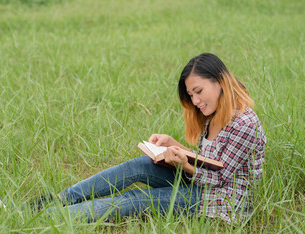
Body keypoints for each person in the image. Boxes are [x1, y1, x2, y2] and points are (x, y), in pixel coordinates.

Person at [29, 53, 266, 224]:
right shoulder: (212, 112)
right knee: (140, 165)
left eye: (198, 91)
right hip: (203, 184)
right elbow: (210, 160)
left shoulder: (244, 123)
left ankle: (48, 218)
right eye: (191, 94)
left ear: (220, 81)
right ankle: (53, 201)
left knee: (138, 199)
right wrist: (175, 145)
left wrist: (183, 164)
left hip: (222, 200)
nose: (195, 101)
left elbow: (221, 177)